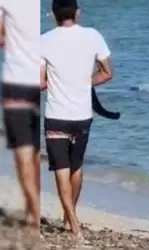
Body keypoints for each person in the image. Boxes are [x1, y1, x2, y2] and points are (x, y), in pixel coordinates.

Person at [40, 0, 113, 238]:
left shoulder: (43, 41)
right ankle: (70, 217)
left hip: (56, 116)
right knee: (76, 167)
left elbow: (41, 83)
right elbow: (107, 73)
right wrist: (83, 82)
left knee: (61, 170)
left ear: (53, 15)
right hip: (82, 115)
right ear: (78, 13)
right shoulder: (93, 36)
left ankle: (74, 224)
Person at [0, 0, 41, 229]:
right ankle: (31, 210)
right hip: (38, 81)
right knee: (35, 150)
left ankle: (33, 213)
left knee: (23, 152)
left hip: (16, 82)